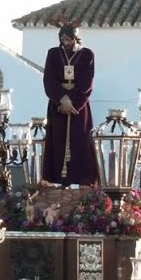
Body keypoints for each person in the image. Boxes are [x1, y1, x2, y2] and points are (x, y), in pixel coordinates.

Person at [41, 23, 98, 187]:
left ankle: (83, 183)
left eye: (68, 39)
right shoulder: (53, 54)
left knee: (80, 143)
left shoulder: (87, 55)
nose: (65, 43)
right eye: (62, 39)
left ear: (75, 38)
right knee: (57, 143)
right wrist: (61, 99)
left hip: (78, 108)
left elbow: (88, 81)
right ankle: (58, 182)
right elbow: (49, 79)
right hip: (57, 106)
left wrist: (72, 102)